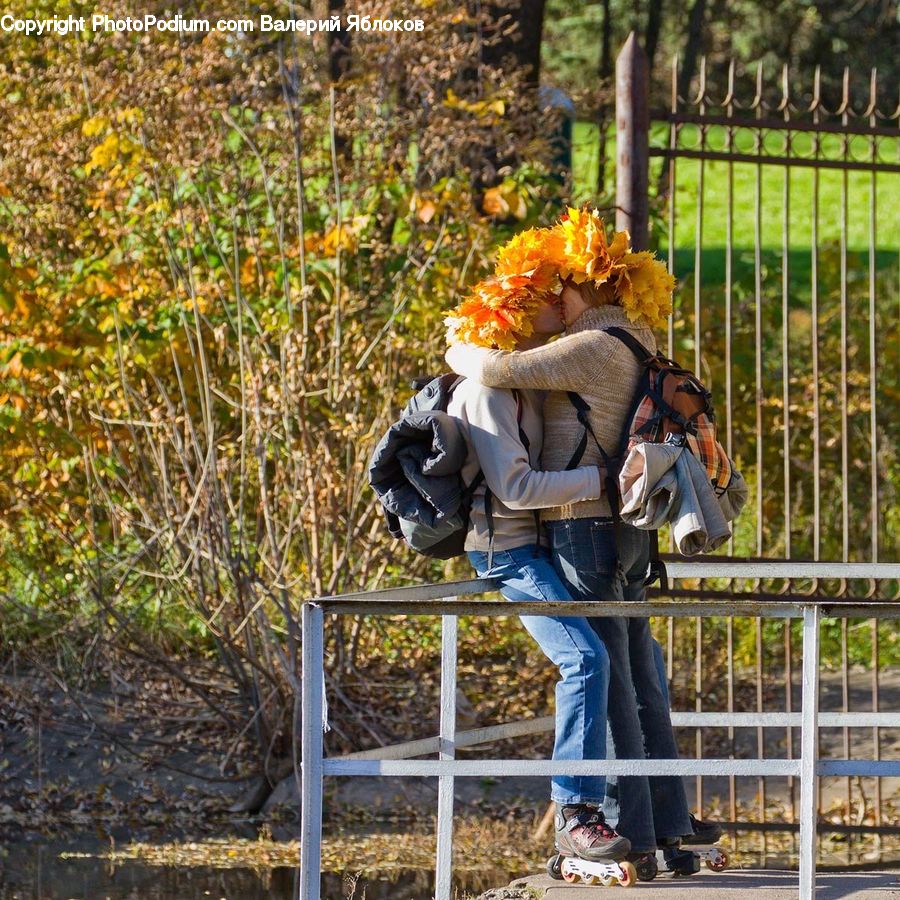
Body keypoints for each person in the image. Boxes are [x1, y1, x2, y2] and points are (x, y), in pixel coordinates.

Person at [446, 206, 716, 872]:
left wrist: (459, 340)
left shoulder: (594, 345)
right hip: (627, 531)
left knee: (615, 675)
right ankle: (669, 827)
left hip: (584, 526)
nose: (555, 299)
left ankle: (642, 836)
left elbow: (498, 372)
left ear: (590, 286)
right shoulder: (639, 338)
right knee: (640, 673)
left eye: (562, 286)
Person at [444, 235, 632, 866]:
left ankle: (608, 805)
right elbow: (516, 488)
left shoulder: (526, 384)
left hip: (537, 545)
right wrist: (600, 483)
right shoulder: (486, 394)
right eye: (549, 302)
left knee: (608, 654)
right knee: (583, 660)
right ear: (520, 318)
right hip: (507, 553)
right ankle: (576, 814)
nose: (562, 308)